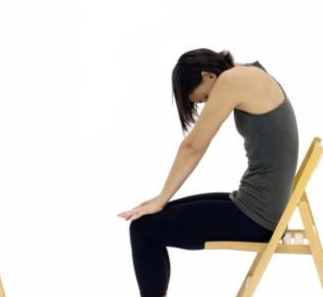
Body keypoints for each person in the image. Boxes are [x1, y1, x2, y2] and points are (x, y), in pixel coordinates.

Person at [118, 48, 299, 297]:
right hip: (258, 207)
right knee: (146, 223)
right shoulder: (251, 72)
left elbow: (193, 146)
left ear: (208, 75)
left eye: (203, 98)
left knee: (143, 230)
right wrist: (161, 200)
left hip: (256, 217)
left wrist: (161, 199)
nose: (207, 104)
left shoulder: (232, 79)